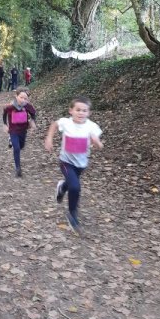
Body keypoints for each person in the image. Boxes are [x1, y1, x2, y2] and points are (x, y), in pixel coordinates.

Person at [44, 96, 103, 235]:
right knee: (75, 186)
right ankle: (72, 214)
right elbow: (54, 125)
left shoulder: (92, 127)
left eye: (84, 110)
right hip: (66, 162)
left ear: (89, 113)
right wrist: (49, 138)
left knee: (71, 182)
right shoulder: (66, 122)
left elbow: (100, 145)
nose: (81, 113)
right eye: (78, 110)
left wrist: (97, 142)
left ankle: (62, 187)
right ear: (71, 111)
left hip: (81, 164)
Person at [3, 88, 37, 177]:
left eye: (25, 98)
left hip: (23, 130)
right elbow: (4, 113)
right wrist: (5, 124)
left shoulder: (27, 106)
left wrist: (33, 121)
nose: (23, 100)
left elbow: (33, 113)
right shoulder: (11, 106)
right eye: (21, 97)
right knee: (17, 148)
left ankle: (11, 140)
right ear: (16, 96)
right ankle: (18, 168)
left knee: (21, 146)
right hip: (13, 130)